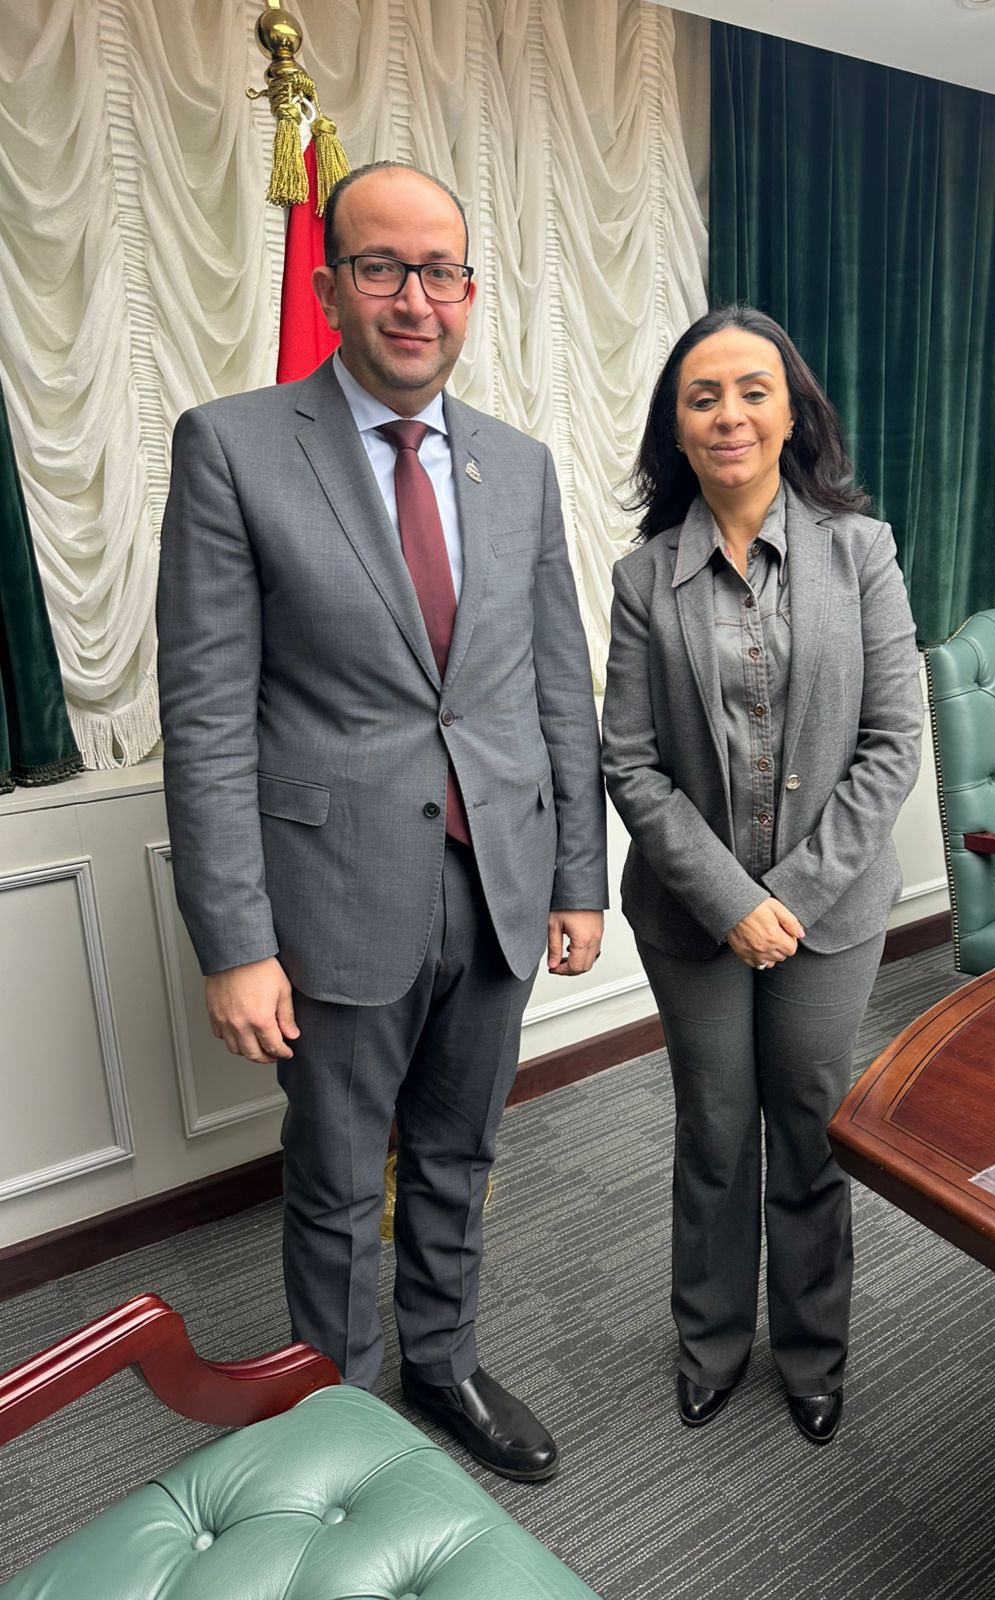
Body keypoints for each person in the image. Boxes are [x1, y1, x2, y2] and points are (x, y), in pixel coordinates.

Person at [157, 161, 607, 1483]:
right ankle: (344, 1432)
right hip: (333, 894)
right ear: (330, 284)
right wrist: (236, 943)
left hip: (499, 882)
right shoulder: (232, 445)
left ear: (470, 291)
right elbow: (207, 713)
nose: (416, 299)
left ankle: (444, 1361)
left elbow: (555, 683)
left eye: (441, 272)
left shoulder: (519, 465)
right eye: (382, 268)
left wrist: (579, 876)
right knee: (340, 1178)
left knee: (462, 1153)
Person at [601, 305, 921, 1446]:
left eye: (752, 391)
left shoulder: (860, 551)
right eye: (703, 397)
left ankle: (813, 1351)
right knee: (716, 1127)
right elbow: (629, 763)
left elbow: (893, 743)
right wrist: (735, 903)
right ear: (677, 429)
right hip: (692, 918)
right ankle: (712, 1342)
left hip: (832, 913)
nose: (729, 414)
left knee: (811, 1124)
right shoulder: (644, 579)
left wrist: (794, 897)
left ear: (793, 415)